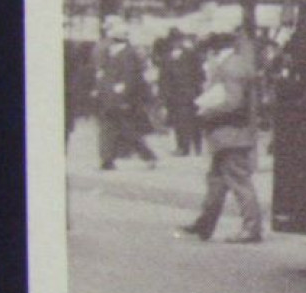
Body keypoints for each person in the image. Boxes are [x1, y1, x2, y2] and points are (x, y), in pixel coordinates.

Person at [177, 33, 263, 244]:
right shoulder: (235, 64)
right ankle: (204, 224)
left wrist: (205, 112)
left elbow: (233, 103)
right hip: (228, 134)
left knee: (239, 181)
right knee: (216, 181)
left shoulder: (230, 67)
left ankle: (252, 228)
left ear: (214, 50)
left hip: (231, 133)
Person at [94, 16, 157, 170]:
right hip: (109, 96)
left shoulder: (128, 54)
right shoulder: (112, 53)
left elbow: (130, 78)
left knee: (127, 129)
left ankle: (147, 155)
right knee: (107, 128)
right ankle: (107, 160)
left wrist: (123, 93)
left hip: (122, 98)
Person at [159, 28, 204, 156]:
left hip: (191, 93)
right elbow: (163, 78)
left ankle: (197, 146)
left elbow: (199, 74)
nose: (176, 43)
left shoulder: (191, 54)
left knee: (194, 121)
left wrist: (197, 90)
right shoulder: (167, 57)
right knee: (179, 121)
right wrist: (163, 95)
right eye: (174, 40)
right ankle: (183, 147)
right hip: (175, 95)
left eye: (178, 40)